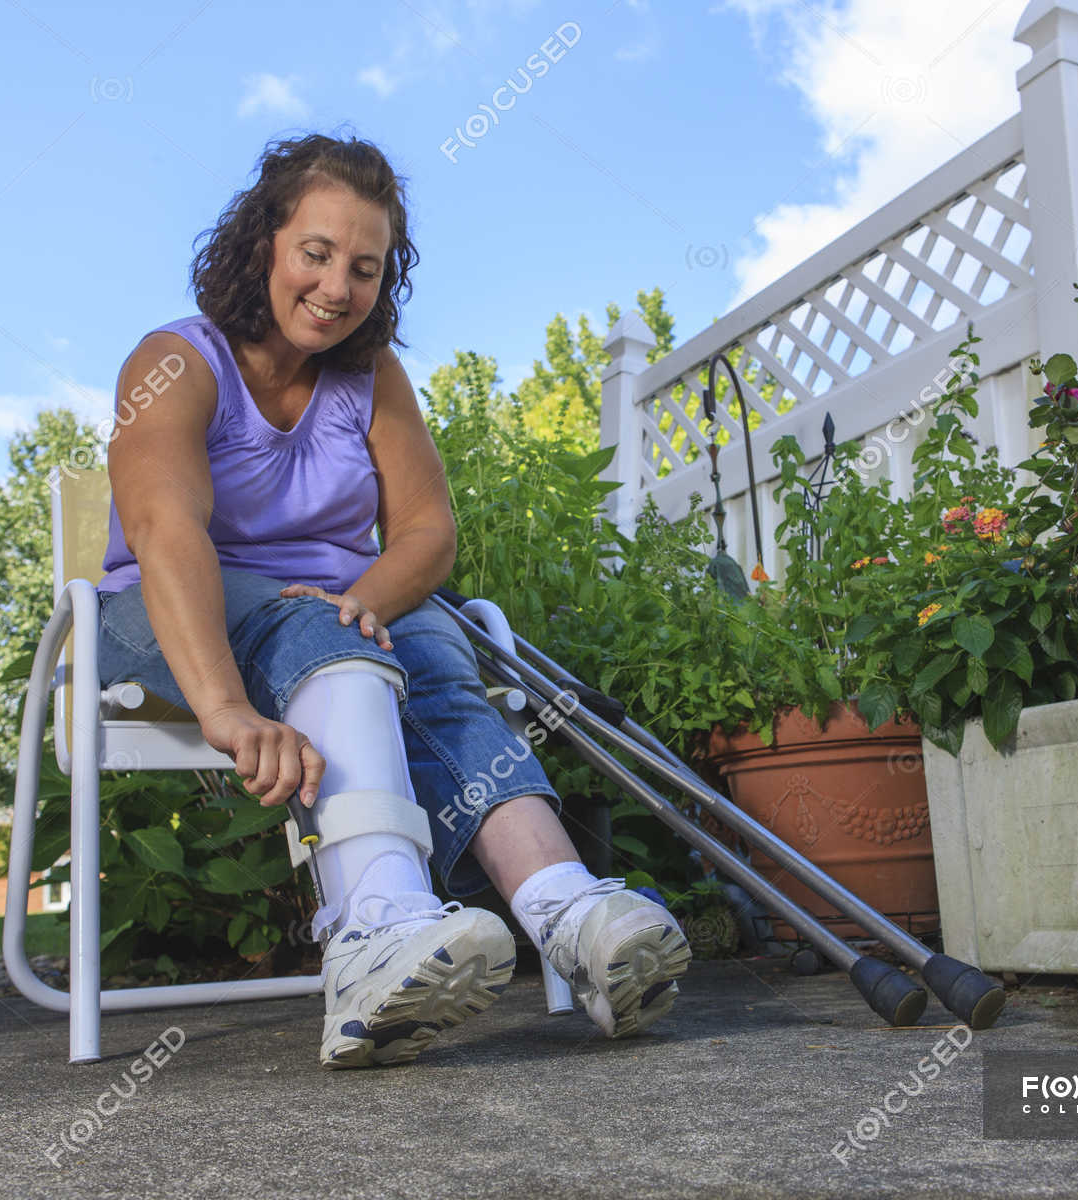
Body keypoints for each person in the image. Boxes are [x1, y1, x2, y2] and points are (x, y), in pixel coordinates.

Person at [94, 131, 689, 1069]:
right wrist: (222, 706)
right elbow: (168, 531)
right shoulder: (176, 361)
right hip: (171, 615)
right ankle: (375, 928)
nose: (337, 288)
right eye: (317, 254)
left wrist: (366, 598)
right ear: (263, 246)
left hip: (334, 609)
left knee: (437, 657)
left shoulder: (370, 377)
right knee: (322, 634)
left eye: (364, 269)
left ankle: (564, 907)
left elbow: (427, 532)